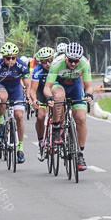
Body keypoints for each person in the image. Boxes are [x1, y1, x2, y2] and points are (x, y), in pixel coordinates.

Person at [43, 42, 93, 171]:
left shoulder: (85, 63)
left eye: (76, 61)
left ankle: (80, 153)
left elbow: (88, 85)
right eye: (70, 60)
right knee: (59, 97)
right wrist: (49, 97)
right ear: (66, 57)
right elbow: (47, 87)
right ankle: (56, 128)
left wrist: (88, 94)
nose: (73, 64)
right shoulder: (57, 63)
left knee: (81, 118)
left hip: (75, 87)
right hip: (58, 85)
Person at [0, 42, 31, 162]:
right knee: (3, 97)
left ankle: (20, 148)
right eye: (7, 58)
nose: (10, 61)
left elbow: (27, 83)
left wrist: (28, 95)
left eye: (13, 58)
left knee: (19, 116)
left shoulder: (22, 65)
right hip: (1, 86)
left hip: (16, 89)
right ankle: (0, 120)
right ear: (3, 57)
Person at [30, 46, 55, 159]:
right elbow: (33, 90)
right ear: (40, 62)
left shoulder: (57, 68)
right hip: (41, 94)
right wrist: (34, 100)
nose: (48, 64)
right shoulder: (38, 70)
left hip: (54, 93)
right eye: (44, 62)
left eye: (50, 60)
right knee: (40, 117)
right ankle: (41, 141)